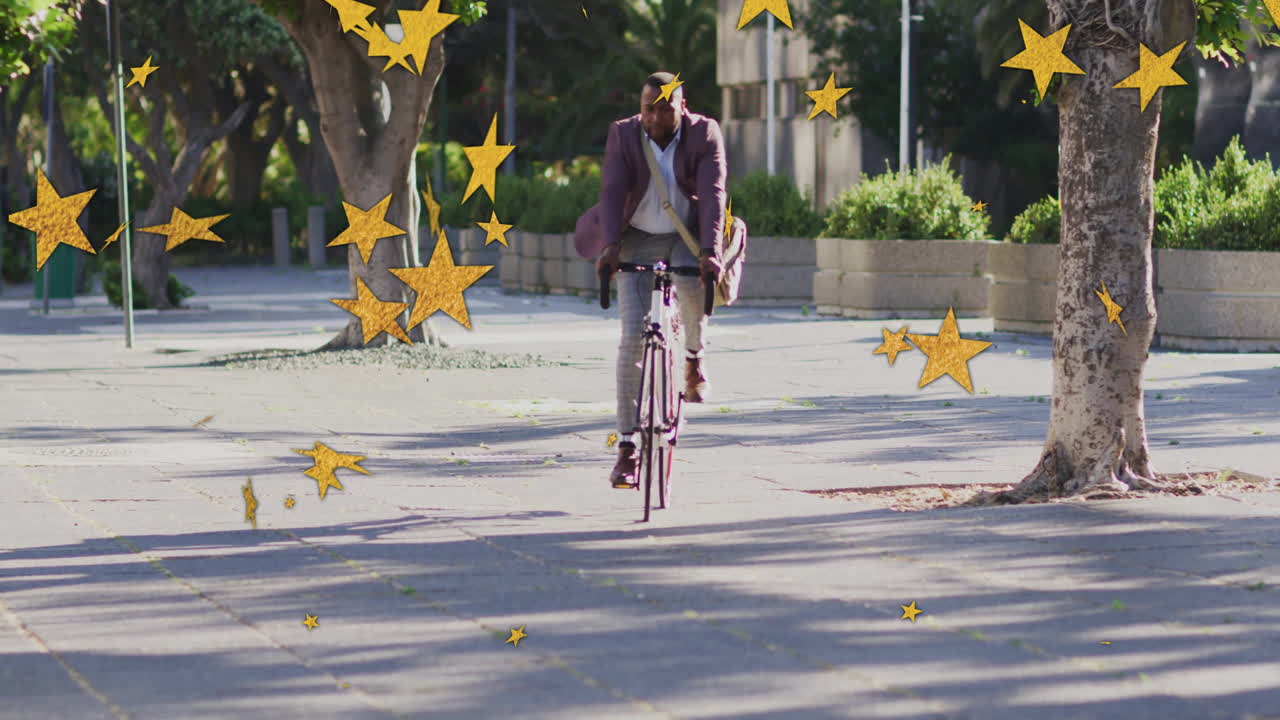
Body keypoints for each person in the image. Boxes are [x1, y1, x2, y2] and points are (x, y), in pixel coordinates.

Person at [585, 71, 728, 489]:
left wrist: (711, 251)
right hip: (637, 238)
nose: (655, 117)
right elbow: (612, 188)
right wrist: (610, 245)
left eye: (665, 108)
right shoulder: (623, 134)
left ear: (681, 107)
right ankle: (627, 447)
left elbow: (714, 191)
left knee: (690, 287)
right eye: (648, 108)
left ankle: (694, 357)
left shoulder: (704, 134)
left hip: (686, 235)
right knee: (631, 336)